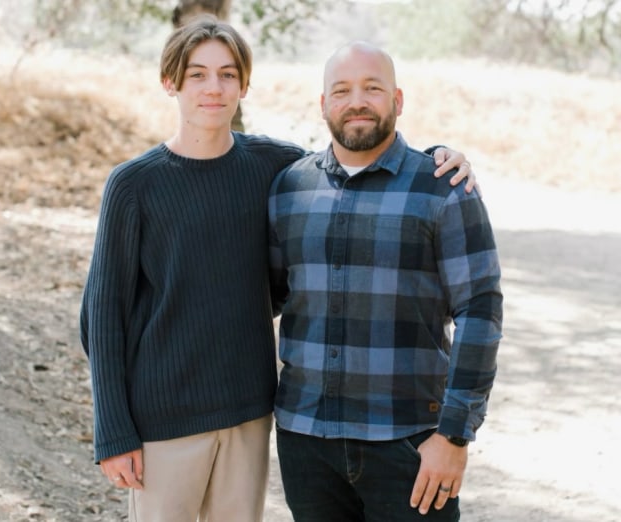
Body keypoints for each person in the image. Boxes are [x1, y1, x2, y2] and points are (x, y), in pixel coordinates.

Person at [80, 16, 476, 522]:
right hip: (164, 420)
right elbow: (101, 319)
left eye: (227, 74)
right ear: (170, 83)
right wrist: (113, 432)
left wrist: (438, 157)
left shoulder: (276, 168)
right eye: (197, 74)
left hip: (249, 414)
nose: (213, 88)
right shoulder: (133, 185)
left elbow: (355, 155)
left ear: (244, 85)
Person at [268, 41, 503, 522]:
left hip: (410, 444)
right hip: (306, 442)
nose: (357, 101)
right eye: (342, 90)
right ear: (323, 104)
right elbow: (267, 297)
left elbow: (480, 313)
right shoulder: (290, 188)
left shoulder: (442, 186)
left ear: (397, 100)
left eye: (372, 88)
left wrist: (454, 436)